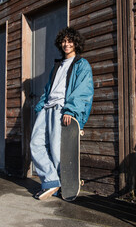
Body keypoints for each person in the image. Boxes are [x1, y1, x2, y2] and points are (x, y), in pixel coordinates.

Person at [30, 27, 94, 200]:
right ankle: (51, 180)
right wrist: (40, 107)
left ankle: (61, 185)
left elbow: (83, 90)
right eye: (64, 41)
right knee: (35, 144)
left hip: (62, 109)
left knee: (58, 149)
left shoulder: (82, 65)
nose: (67, 44)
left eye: (70, 41)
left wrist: (71, 110)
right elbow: (48, 89)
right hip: (47, 108)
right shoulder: (57, 66)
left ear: (76, 43)